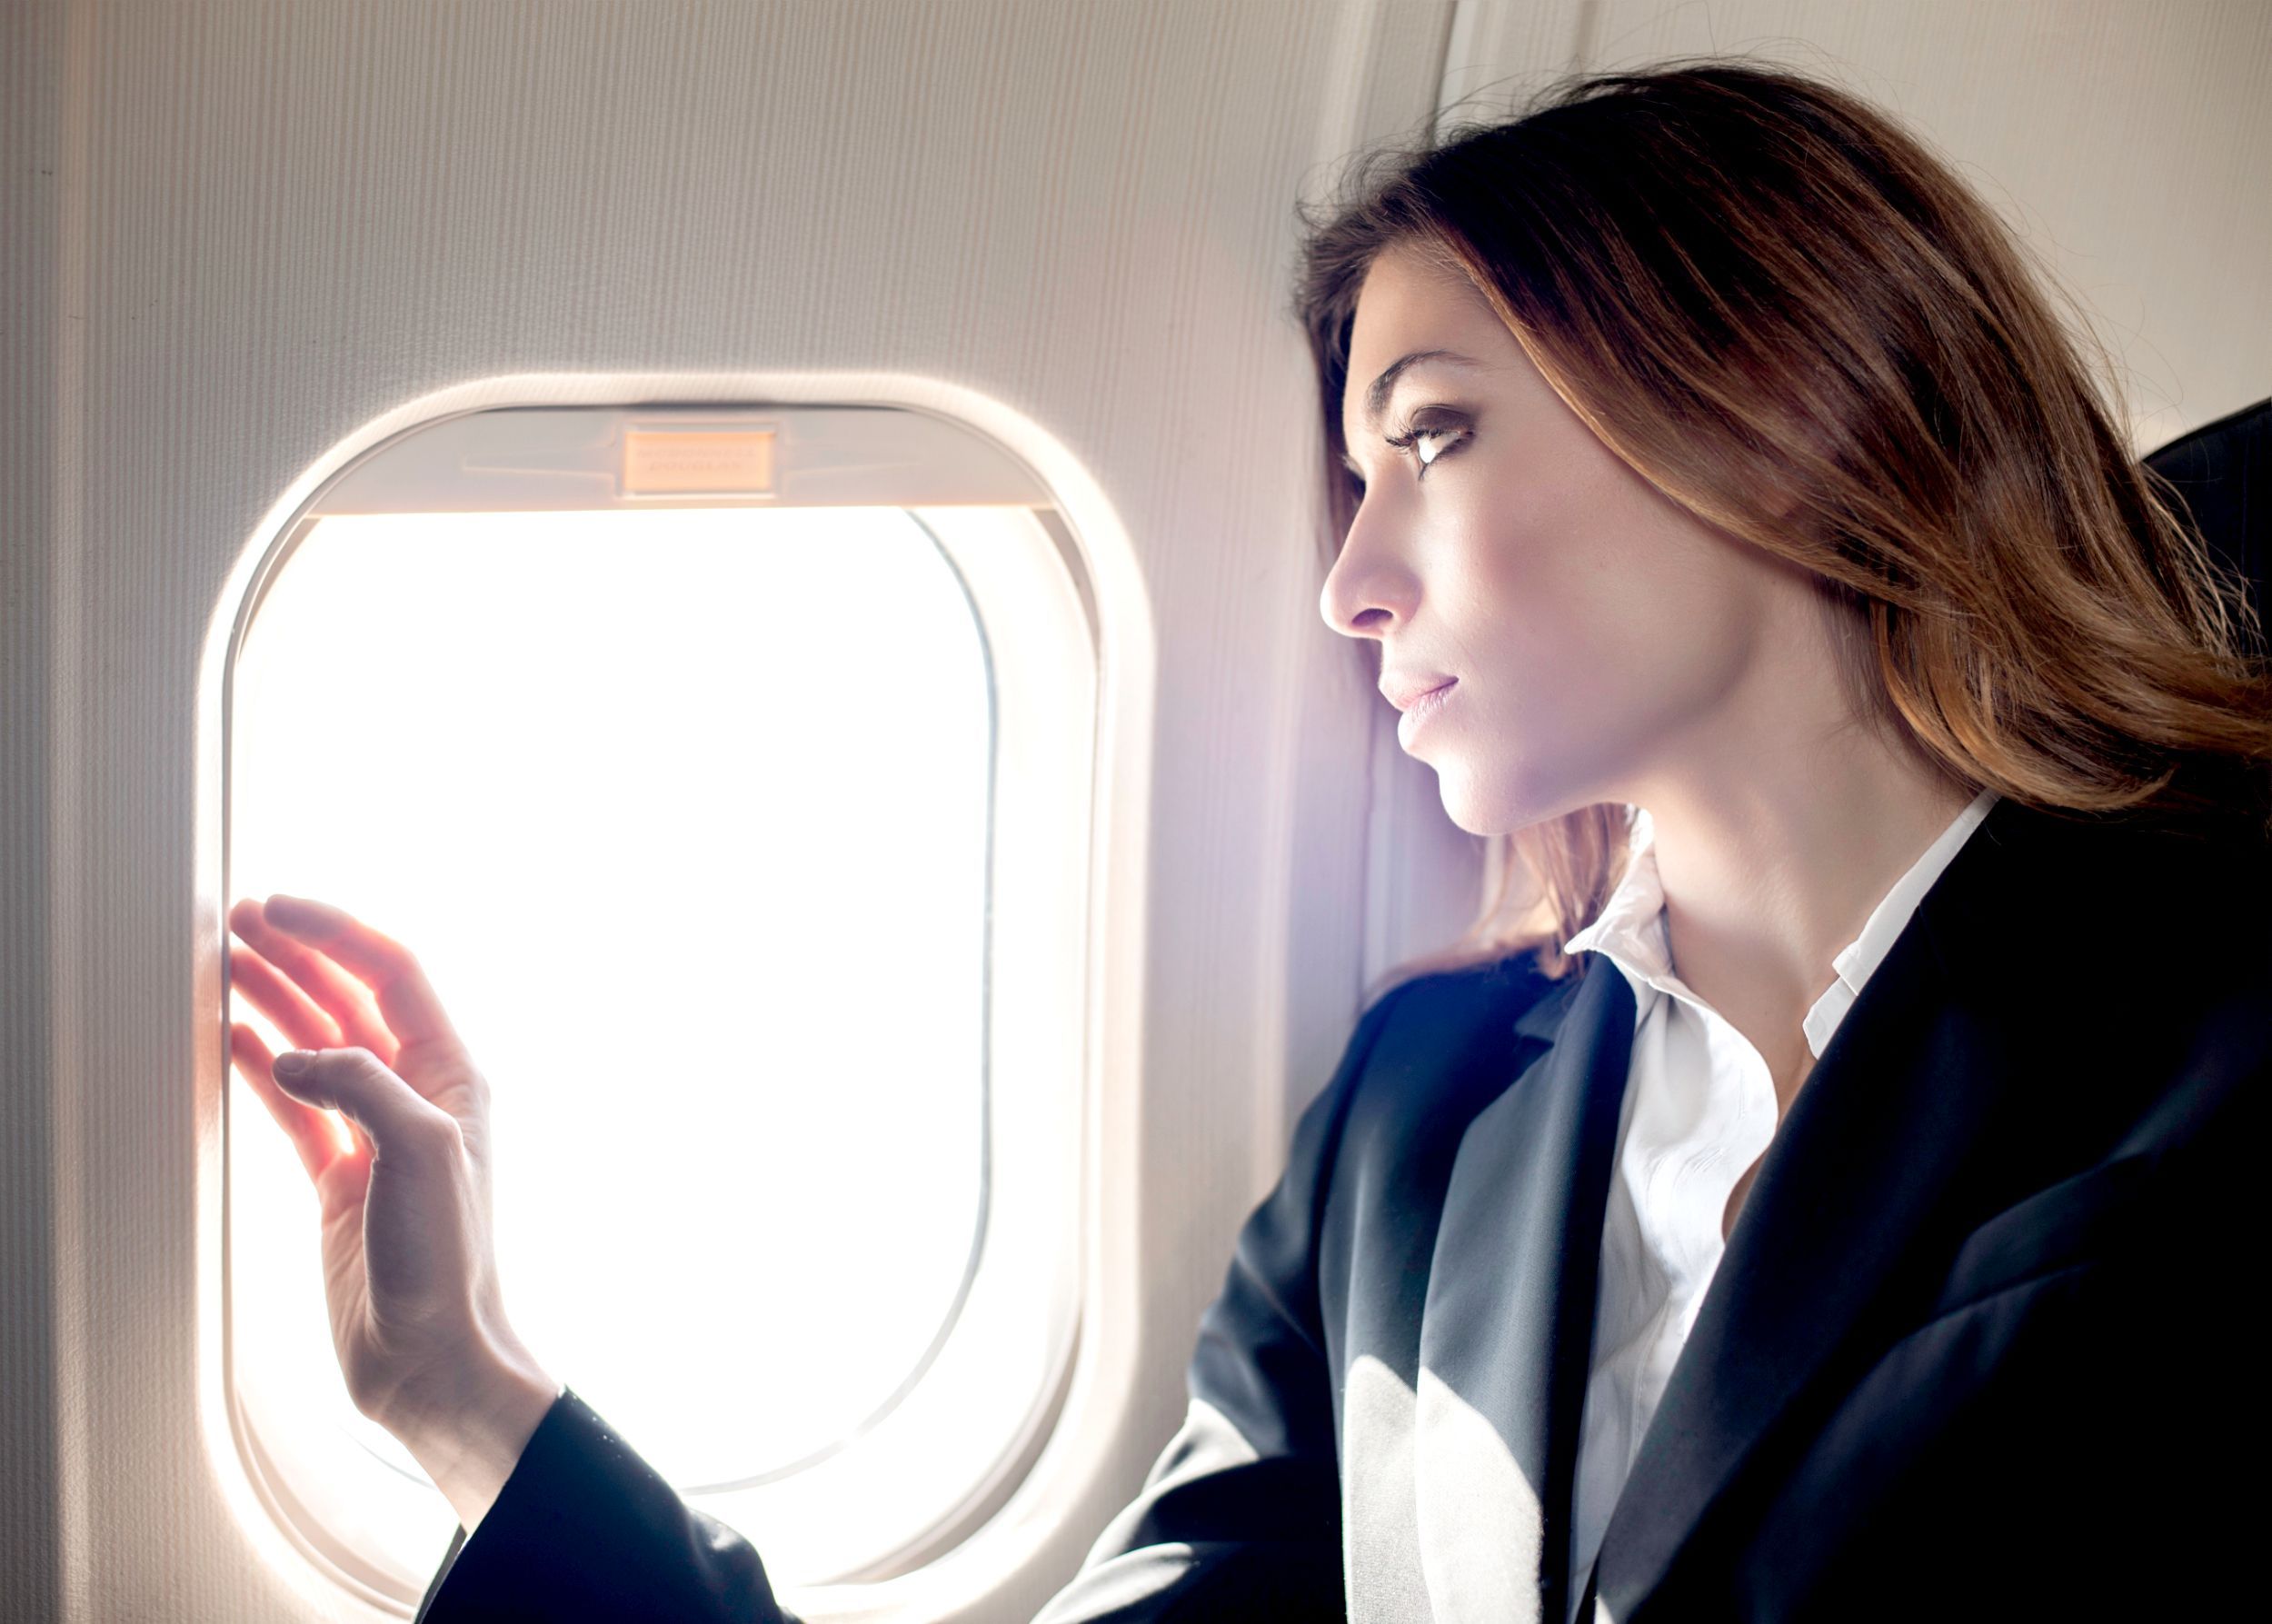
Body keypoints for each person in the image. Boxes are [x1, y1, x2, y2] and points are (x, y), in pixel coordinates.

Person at [225, 57, 2272, 1622]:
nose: (1347, 581)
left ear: (1771, 392)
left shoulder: (2214, 1003)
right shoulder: (1419, 1121)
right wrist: (466, 1400)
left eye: (1431, 434)